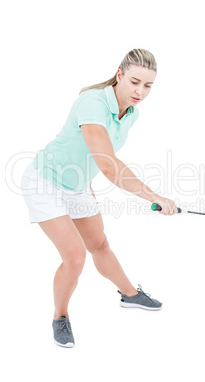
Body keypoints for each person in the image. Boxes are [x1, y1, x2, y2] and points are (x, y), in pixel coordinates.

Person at [21, 48, 178, 348]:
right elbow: (108, 164)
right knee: (75, 257)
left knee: (100, 245)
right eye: (134, 82)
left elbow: (94, 155)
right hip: (45, 182)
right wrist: (154, 196)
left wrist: (85, 183)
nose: (140, 91)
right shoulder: (92, 102)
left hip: (78, 184)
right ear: (119, 74)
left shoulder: (132, 114)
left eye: (147, 86)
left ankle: (130, 294)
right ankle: (60, 317)